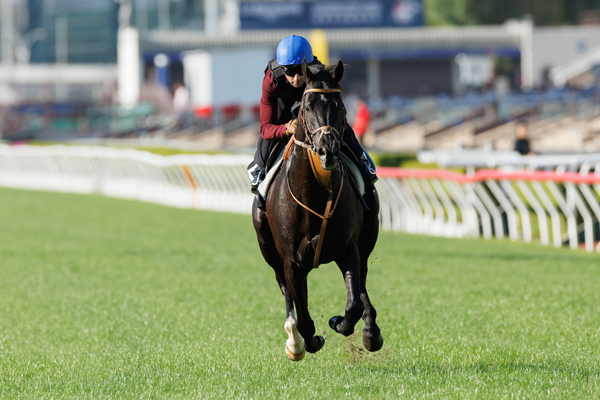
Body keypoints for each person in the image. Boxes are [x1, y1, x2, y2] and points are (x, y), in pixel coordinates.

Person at [247, 35, 377, 200]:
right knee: (269, 139)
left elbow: (339, 120)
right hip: (282, 103)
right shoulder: (271, 81)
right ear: (281, 69)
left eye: (300, 71)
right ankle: (258, 169)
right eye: (289, 71)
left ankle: (362, 161)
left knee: (337, 125)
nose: (296, 78)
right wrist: (285, 128)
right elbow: (266, 129)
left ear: (308, 66)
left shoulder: (319, 74)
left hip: (311, 97)